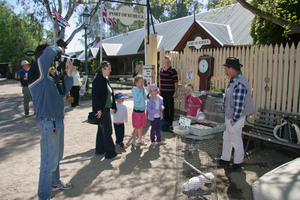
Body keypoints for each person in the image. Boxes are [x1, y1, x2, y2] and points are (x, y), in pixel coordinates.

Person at [28, 44, 73, 200]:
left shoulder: (49, 77)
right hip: (48, 122)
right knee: (48, 162)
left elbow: (64, 92)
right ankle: (44, 196)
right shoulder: (36, 71)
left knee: (57, 157)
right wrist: (59, 48)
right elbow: (49, 52)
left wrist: (68, 74)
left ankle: (55, 183)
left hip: (57, 121)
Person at [218, 57, 254, 171]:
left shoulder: (239, 83)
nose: (226, 71)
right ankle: (225, 159)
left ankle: (238, 163)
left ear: (233, 69)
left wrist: (234, 119)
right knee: (227, 137)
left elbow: (239, 105)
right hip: (230, 116)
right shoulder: (235, 79)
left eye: (227, 68)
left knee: (235, 139)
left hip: (235, 118)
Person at [92, 61, 120, 159]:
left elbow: (110, 94)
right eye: (108, 69)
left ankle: (100, 150)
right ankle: (110, 153)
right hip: (102, 109)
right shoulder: (98, 80)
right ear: (103, 69)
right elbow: (95, 97)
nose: (110, 70)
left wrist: (114, 106)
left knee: (101, 130)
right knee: (107, 131)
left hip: (106, 108)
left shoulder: (105, 79)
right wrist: (98, 109)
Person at [159, 56, 178, 131]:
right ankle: (165, 123)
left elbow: (176, 82)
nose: (166, 63)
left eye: (168, 62)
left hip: (170, 92)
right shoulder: (161, 70)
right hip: (163, 91)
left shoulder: (173, 71)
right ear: (163, 62)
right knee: (165, 107)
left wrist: (175, 91)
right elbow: (160, 81)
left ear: (170, 62)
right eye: (165, 62)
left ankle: (170, 124)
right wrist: (160, 90)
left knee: (171, 108)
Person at [182, 84, 202, 152]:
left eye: (189, 89)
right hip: (188, 116)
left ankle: (196, 145)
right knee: (187, 131)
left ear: (192, 90)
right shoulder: (186, 97)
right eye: (186, 89)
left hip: (195, 116)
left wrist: (192, 106)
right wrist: (187, 107)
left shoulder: (194, 96)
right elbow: (185, 105)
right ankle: (187, 144)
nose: (188, 91)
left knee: (195, 131)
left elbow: (199, 103)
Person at [131, 75, 147, 146]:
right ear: (136, 82)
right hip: (137, 112)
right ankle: (134, 140)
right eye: (141, 82)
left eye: (143, 82)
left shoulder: (143, 89)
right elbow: (137, 100)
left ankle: (140, 139)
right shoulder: (134, 90)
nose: (142, 84)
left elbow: (146, 98)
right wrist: (141, 92)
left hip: (142, 111)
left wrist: (144, 92)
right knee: (137, 126)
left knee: (141, 126)